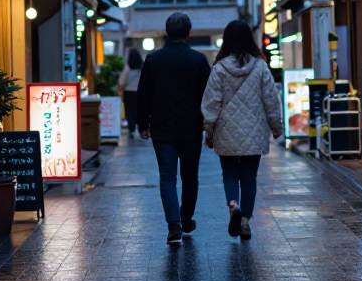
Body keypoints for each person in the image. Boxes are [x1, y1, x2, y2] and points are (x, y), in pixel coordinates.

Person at [201, 20, 282, 240]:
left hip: (226, 131)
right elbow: (271, 100)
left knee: (229, 174)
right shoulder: (260, 66)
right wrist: (276, 126)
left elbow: (211, 103)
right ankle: (245, 220)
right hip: (254, 132)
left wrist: (208, 130)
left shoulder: (219, 69)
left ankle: (233, 206)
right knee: (249, 178)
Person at [135, 13, 212, 245]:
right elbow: (208, 96)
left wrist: (142, 123)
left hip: (162, 127)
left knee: (167, 176)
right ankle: (186, 218)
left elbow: (143, 94)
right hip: (191, 127)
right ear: (189, 32)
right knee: (190, 177)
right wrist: (209, 125)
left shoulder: (153, 60)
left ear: (166, 32)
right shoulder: (198, 60)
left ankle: (173, 225)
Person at [118, 48, 143, 137]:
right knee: (139, 110)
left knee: (129, 111)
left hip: (129, 92)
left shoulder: (127, 68)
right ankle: (141, 127)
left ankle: (131, 129)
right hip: (140, 92)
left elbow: (122, 82)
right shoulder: (142, 68)